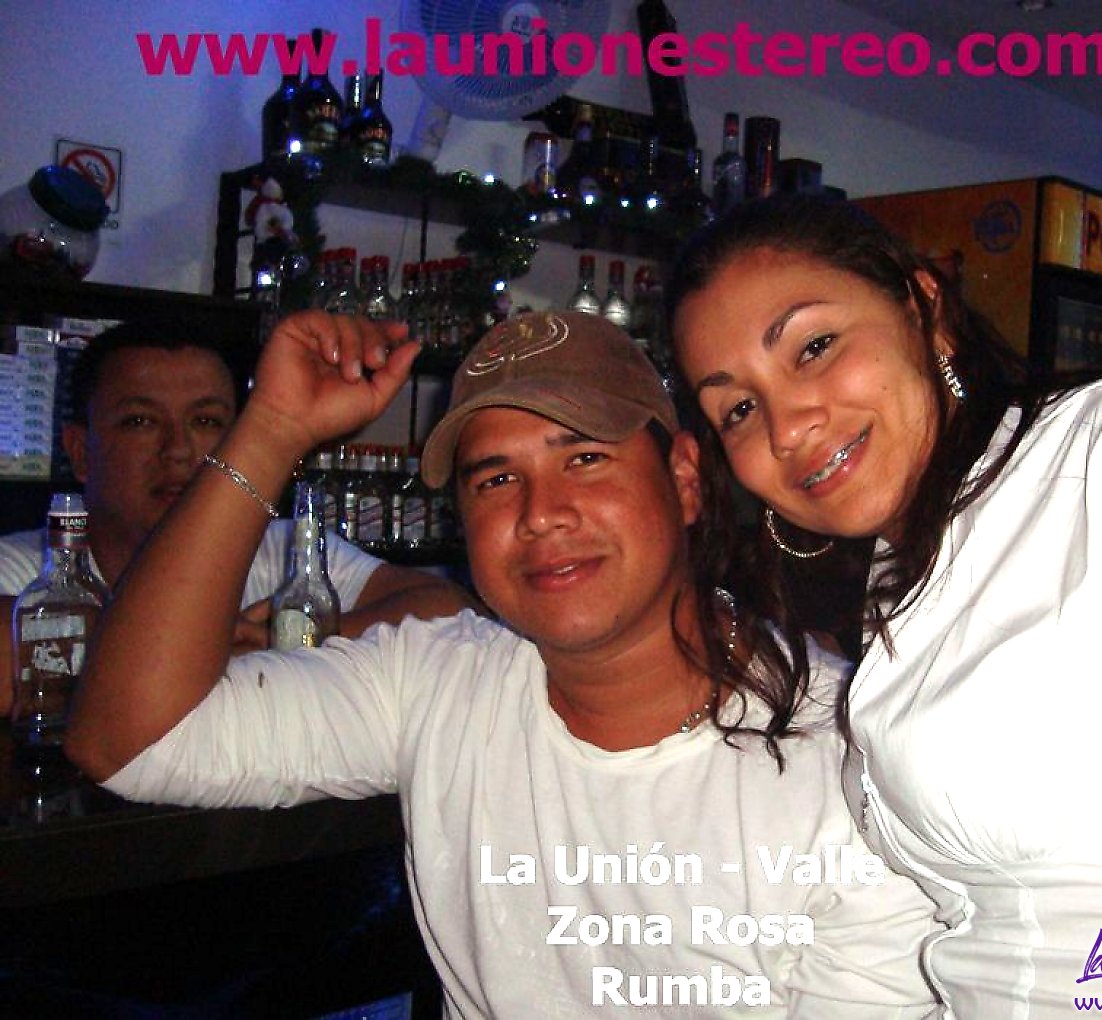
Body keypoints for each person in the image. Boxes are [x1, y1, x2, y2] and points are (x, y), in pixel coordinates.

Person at [66, 310, 942, 1017]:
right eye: (494, 480)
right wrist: (271, 431)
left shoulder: (858, 768)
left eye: (585, 458)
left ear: (682, 479)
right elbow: (127, 740)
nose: (540, 513)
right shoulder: (439, 679)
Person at [665, 193, 1102, 1017]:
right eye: (739, 410)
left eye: (814, 347)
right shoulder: (903, 582)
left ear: (924, 308)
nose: (786, 428)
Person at [0, 320, 470, 716]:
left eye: (205, 422)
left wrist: (292, 636)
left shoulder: (281, 551)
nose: (178, 450)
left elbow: (449, 610)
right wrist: (206, 647)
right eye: (140, 422)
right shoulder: (26, 567)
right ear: (80, 452)